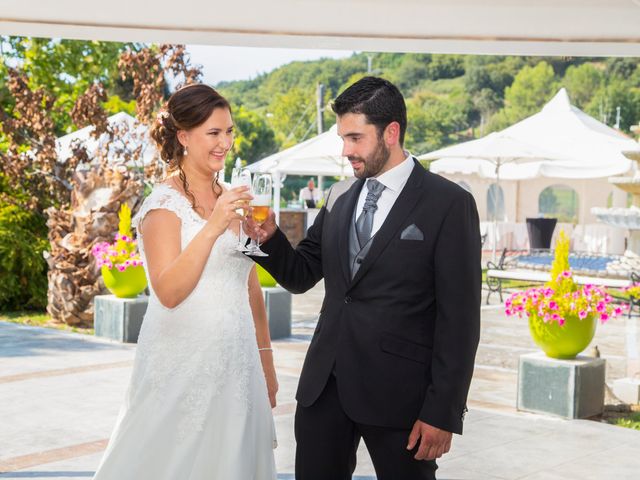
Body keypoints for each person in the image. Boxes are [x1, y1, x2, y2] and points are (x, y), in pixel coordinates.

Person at [247, 77, 481, 480]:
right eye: (342, 138)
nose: (346, 151)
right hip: (323, 391)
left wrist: (442, 411)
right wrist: (267, 239)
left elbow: (459, 321)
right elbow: (302, 274)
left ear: (391, 132)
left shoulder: (449, 203)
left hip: (402, 400)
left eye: (355, 138)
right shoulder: (339, 196)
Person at [92, 84, 278, 480]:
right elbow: (169, 291)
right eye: (214, 133)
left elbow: (250, 288)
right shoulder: (163, 205)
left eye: (229, 132)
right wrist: (213, 226)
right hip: (181, 365)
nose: (225, 143)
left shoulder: (234, 198)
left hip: (238, 366)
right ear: (183, 136)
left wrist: (266, 362)